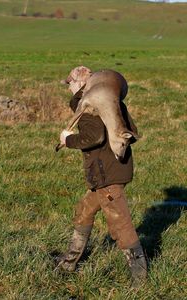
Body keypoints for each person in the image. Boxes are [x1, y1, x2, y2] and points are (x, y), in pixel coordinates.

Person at [56, 66, 147, 288]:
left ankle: (140, 280)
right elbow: (131, 131)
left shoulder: (87, 104)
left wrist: (68, 140)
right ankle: (69, 262)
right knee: (84, 210)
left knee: (120, 224)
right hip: (113, 170)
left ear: (79, 84)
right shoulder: (114, 98)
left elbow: (93, 136)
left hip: (106, 176)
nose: (69, 87)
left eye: (69, 83)